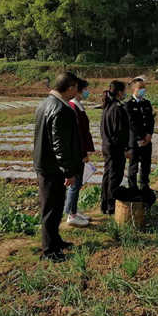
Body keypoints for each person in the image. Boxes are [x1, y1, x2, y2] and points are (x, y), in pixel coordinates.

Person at [34, 71, 84, 262]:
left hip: (47, 165)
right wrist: (68, 171)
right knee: (50, 210)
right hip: (52, 168)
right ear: (71, 88)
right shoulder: (60, 109)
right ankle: (49, 251)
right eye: (76, 89)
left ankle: (55, 240)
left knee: (54, 207)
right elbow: (60, 145)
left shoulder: (45, 103)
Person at [65, 78, 94, 227]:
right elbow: (78, 135)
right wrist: (83, 154)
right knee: (75, 184)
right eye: (85, 88)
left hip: (79, 151)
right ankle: (71, 215)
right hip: (76, 153)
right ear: (78, 89)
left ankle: (74, 210)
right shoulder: (72, 107)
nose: (87, 91)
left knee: (78, 183)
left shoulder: (78, 106)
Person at [100, 80, 132, 214]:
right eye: (124, 91)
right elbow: (119, 132)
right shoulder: (117, 109)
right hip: (115, 148)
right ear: (119, 92)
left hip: (107, 146)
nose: (125, 94)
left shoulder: (107, 107)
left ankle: (104, 204)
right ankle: (111, 206)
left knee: (107, 175)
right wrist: (126, 148)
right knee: (115, 177)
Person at [124, 77, 155, 191]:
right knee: (133, 165)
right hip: (135, 140)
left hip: (147, 139)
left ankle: (144, 185)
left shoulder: (146, 103)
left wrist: (149, 134)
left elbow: (151, 120)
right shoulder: (128, 105)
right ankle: (132, 187)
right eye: (140, 87)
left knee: (146, 164)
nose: (143, 90)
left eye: (144, 88)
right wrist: (142, 136)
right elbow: (132, 123)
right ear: (133, 89)